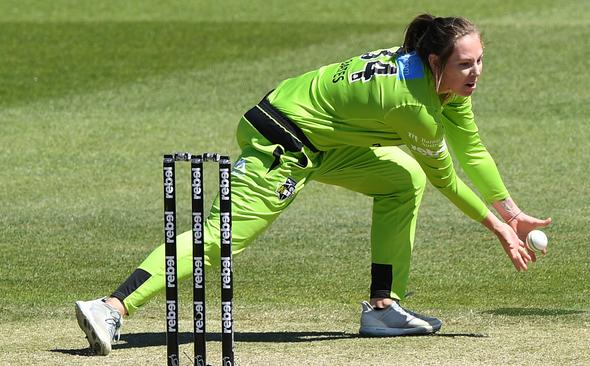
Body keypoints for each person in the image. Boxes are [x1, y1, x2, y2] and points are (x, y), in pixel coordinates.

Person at [75, 13, 552, 355]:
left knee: (400, 178)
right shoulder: (413, 105)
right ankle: (112, 306)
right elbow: (447, 177)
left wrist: (511, 211)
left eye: (480, 61)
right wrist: (498, 228)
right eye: (466, 63)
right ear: (434, 60)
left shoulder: (442, 86)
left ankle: (383, 308)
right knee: (227, 235)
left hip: (321, 137)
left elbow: (472, 149)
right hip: (282, 136)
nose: (476, 72)